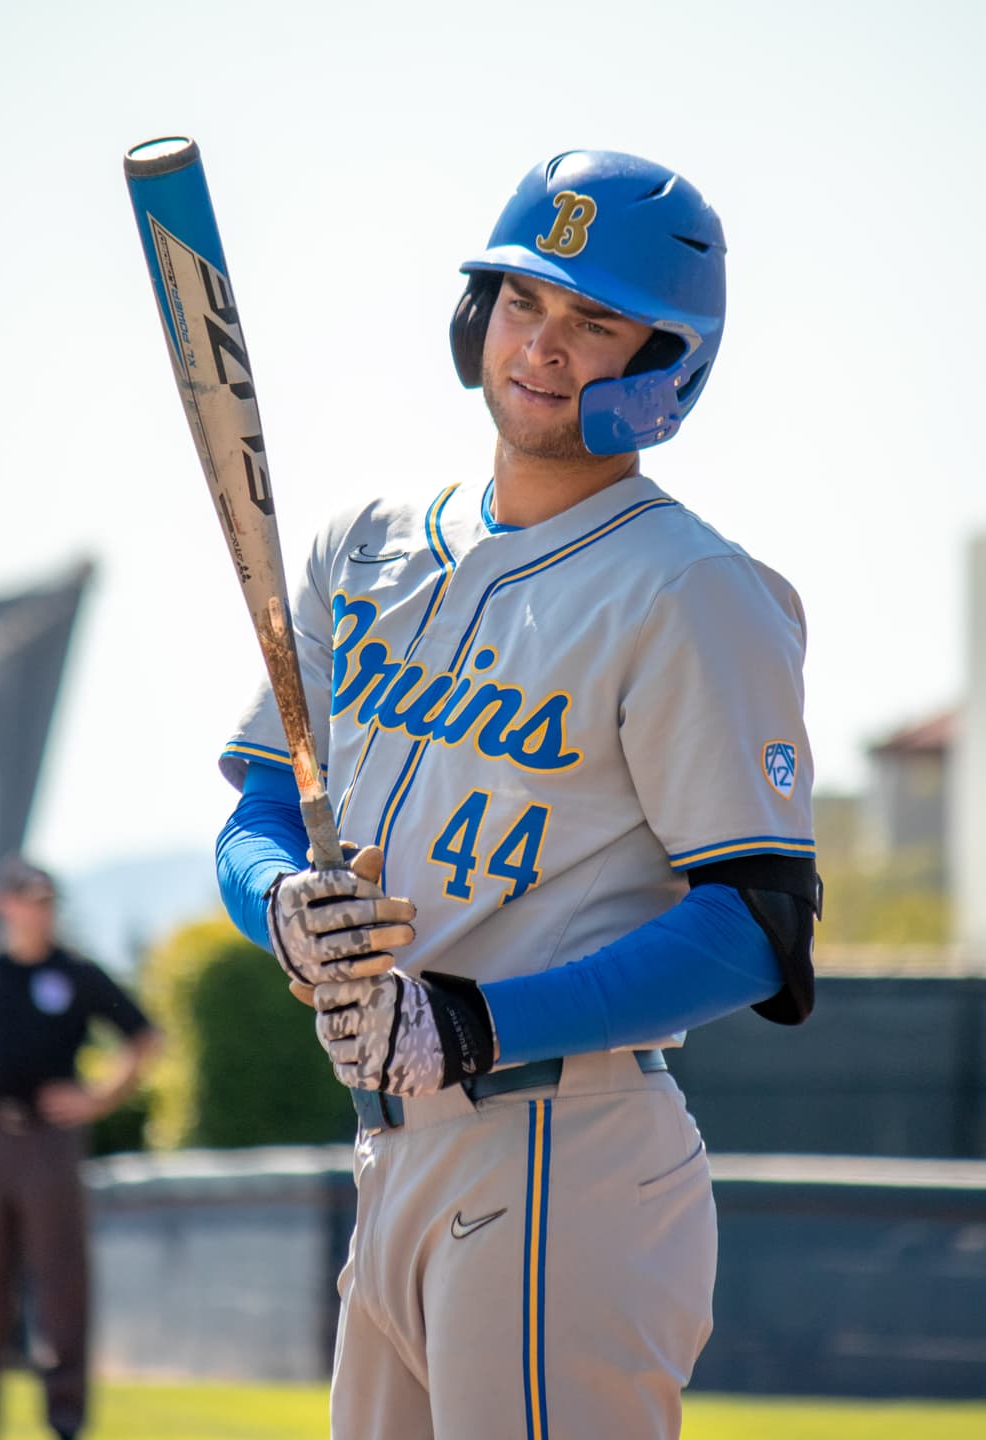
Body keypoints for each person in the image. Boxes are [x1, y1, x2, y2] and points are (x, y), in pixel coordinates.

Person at [216, 150, 820, 1440]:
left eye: (595, 320)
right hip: (388, 1152)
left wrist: (473, 1024)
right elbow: (262, 807)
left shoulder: (693, 590)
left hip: (563, 1148)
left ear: (665, 366)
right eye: (523, 300)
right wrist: (278, 901)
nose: (544, 346)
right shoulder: (359, 546)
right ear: (473, 317)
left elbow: (757, 924)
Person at [0, 854, 160, 1440]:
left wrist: (96, 1098)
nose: (41, 913)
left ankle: (65, 1420)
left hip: (50, 1144)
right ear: (6, 904)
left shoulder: (74, 972)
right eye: (31, 901)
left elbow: (144, 1038)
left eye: (49, 902)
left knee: (60, 1282)